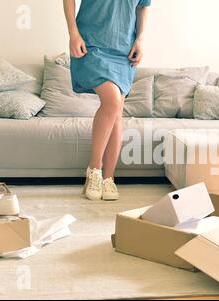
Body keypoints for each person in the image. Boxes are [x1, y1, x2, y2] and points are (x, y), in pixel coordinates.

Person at [63, 0, 151, 201]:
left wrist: (141, 39)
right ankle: (94, 169)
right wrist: (73, 33)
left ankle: (108, 178)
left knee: (117, 111)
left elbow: (143, 6)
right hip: (91, 43)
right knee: (112, 101)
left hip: (124, 49)